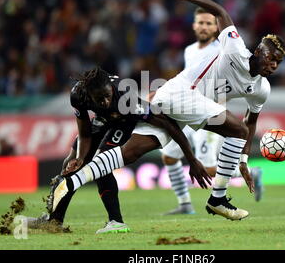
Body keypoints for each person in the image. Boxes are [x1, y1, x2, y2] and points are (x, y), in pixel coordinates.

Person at [48, 0, 285, 221]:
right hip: (181, 94)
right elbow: (220, 11)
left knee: (130, 152)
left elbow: (252, 119)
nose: (273, 64)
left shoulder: (262, 88)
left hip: (187, 106)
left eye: (278, 62)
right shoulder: (235, 47)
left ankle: (74, 181)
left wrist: (244, 159)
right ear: (259, 50)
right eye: (270, 57)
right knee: (236, 131)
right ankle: (218, 199)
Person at [28, 67, 210, 233]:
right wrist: (81, 158)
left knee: (101, 164)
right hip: (102, 120)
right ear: (89, 95)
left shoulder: (126, 98)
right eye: (100, 99)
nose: (106, 101)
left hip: (124, 122)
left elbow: (169, 125)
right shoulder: (78, 95)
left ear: (112, 89)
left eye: (108, 95)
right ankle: (54, 221)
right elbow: (84, 134)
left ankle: (116, 221)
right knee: (70, 162)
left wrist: (192, 160)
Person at [161, 8, 263, 215]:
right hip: (187, 109)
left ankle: (251, 173)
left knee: (207, 169)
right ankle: (185, 204)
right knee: (168, 156)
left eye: (209, 23)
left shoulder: (222, 49)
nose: (204, 27)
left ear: (217, 27)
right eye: (200, 23)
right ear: (194, 25)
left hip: (208, 115)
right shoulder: (189, 50)